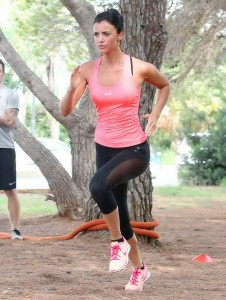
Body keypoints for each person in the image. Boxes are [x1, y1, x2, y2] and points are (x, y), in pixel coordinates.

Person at [60, 8, 170, 292]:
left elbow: (164, 85)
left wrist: (155, 115)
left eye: (106, 33)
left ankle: (116, 243)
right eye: (96, 34)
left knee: (97, 186)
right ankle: (140, 270)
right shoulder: (87, 69)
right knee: (120, 216)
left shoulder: (139, 67)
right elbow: (66, 110)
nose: (100, 39)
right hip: (105, 149)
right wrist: (71, 88)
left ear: (120, 35)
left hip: (134, 149)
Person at [0, 59, 23, 240]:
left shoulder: (10, 94)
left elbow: (9, 121)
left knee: (10, 190)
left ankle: (15, 230)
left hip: (4, 147)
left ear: (3, 73)